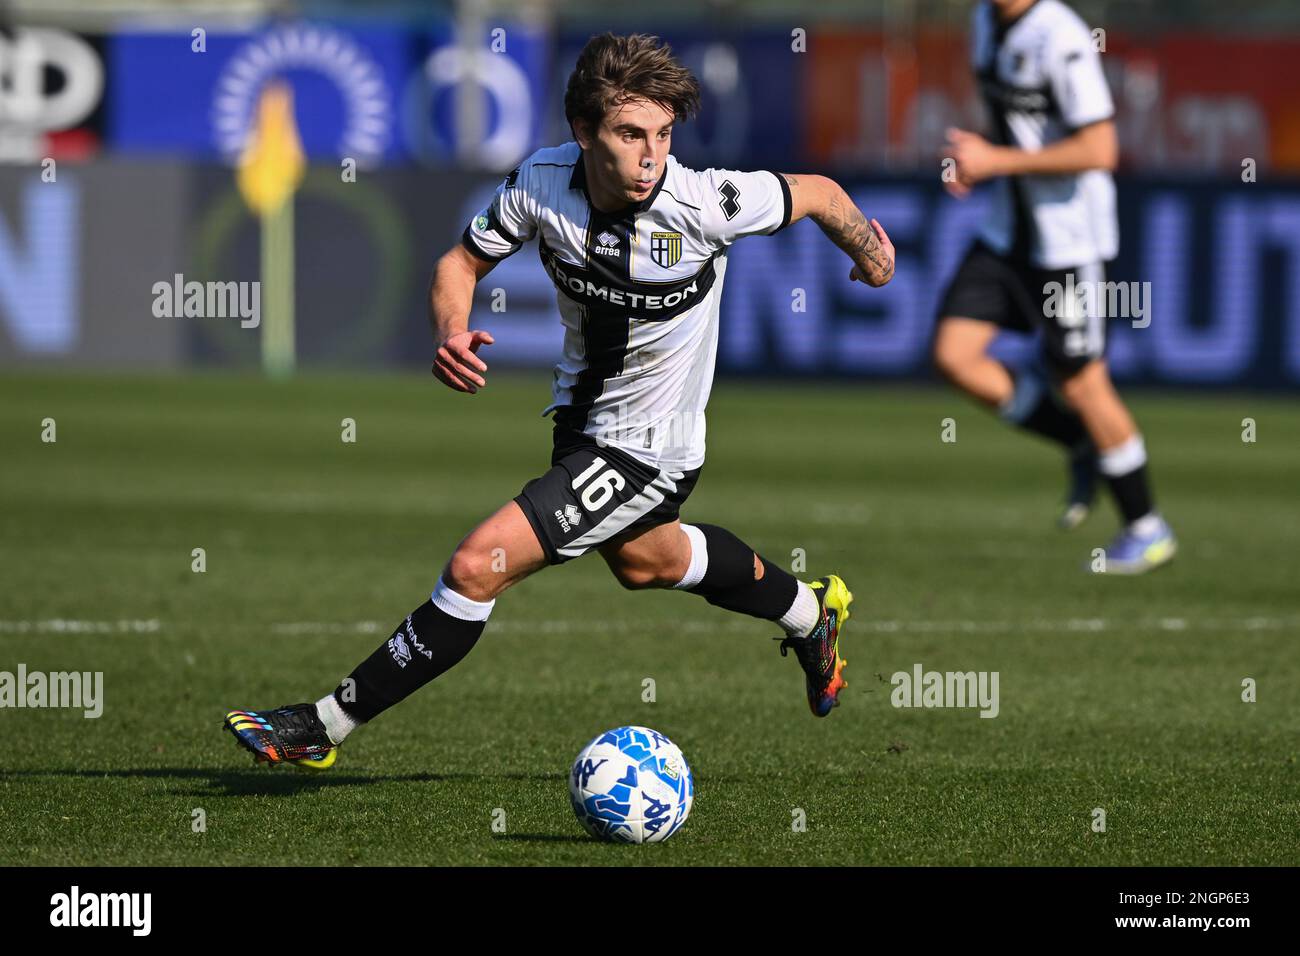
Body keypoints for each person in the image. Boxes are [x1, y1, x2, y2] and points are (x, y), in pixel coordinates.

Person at [225, 32, 896, 768]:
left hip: (651, 448)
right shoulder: (542, 184)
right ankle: (811, 611)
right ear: (583, 132)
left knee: (476, 565)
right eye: (630, 133)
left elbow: (823, 195)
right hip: (579, 425)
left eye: (664, 134)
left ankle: (323, 726)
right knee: (646, 562)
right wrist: (451, 329)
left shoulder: (705, 203)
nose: (651, 155)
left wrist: (871, 251)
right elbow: (461, 260)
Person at [933, 0, 1176, 573]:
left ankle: (1147, 527)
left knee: (1083, 379)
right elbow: (1014, 125)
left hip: (1068, 241)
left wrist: (997, 160)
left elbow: (1100, 149)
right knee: (954, 355)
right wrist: (980, 161)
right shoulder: (984, 21)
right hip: (1007, 231)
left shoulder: (1060, 36)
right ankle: (1079, 440)